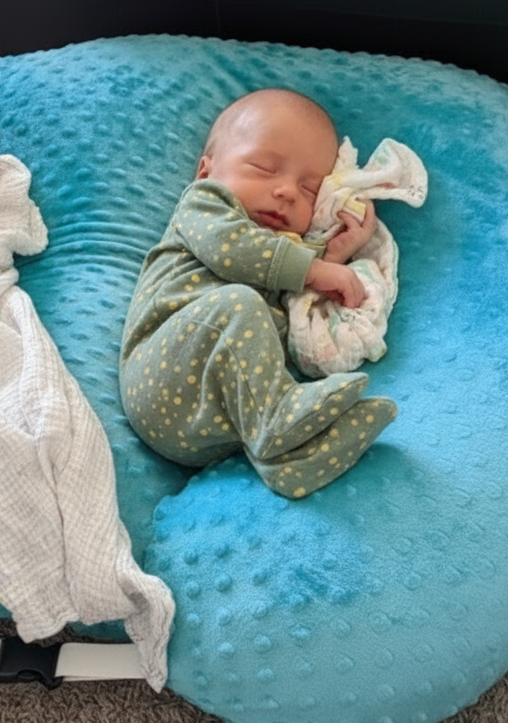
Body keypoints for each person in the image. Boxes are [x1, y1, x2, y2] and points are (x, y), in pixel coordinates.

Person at [119, 88, 397, 499]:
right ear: (205, 171)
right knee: (240, 303)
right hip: (159, 377)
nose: (286, 191)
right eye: (265, 168)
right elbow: (236, 249)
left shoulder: (283, 250)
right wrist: (316, 269)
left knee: (260, 316)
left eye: (308, 190)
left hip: (223, 421)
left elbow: (284, 266)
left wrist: (334, 254)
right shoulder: (204, 205)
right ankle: (279, 424)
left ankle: (289, 458)